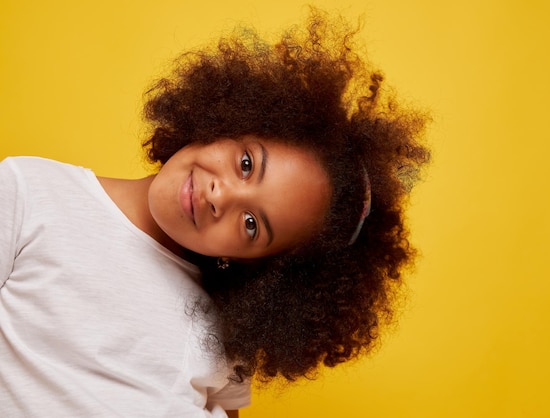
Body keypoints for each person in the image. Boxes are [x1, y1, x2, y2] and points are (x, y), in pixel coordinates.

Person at [0, 9, 429, 417]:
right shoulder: (30, 191)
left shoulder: (225, 330)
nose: (220, 196)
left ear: (250, 263)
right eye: (246, 164)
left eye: (251, 224)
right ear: (228, 116)